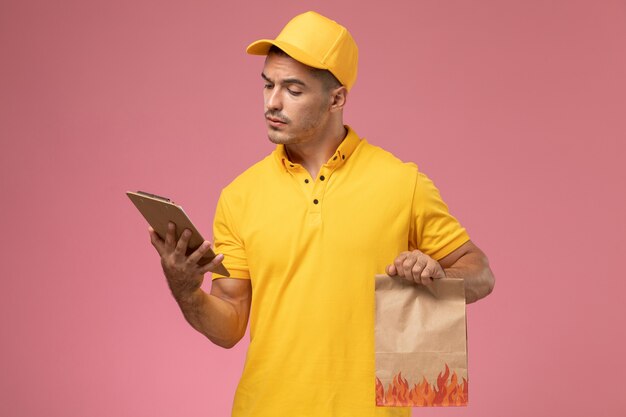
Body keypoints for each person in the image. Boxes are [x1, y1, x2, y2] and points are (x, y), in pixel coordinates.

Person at [148, 11, 494, 417]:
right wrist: (186, 291)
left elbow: (481, 273)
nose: (273, 102)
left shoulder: (403, 183)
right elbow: (229, 326)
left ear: (337, 98)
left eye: (293, 90)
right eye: (268, 85)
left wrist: (439, 276)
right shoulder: (239, 195)